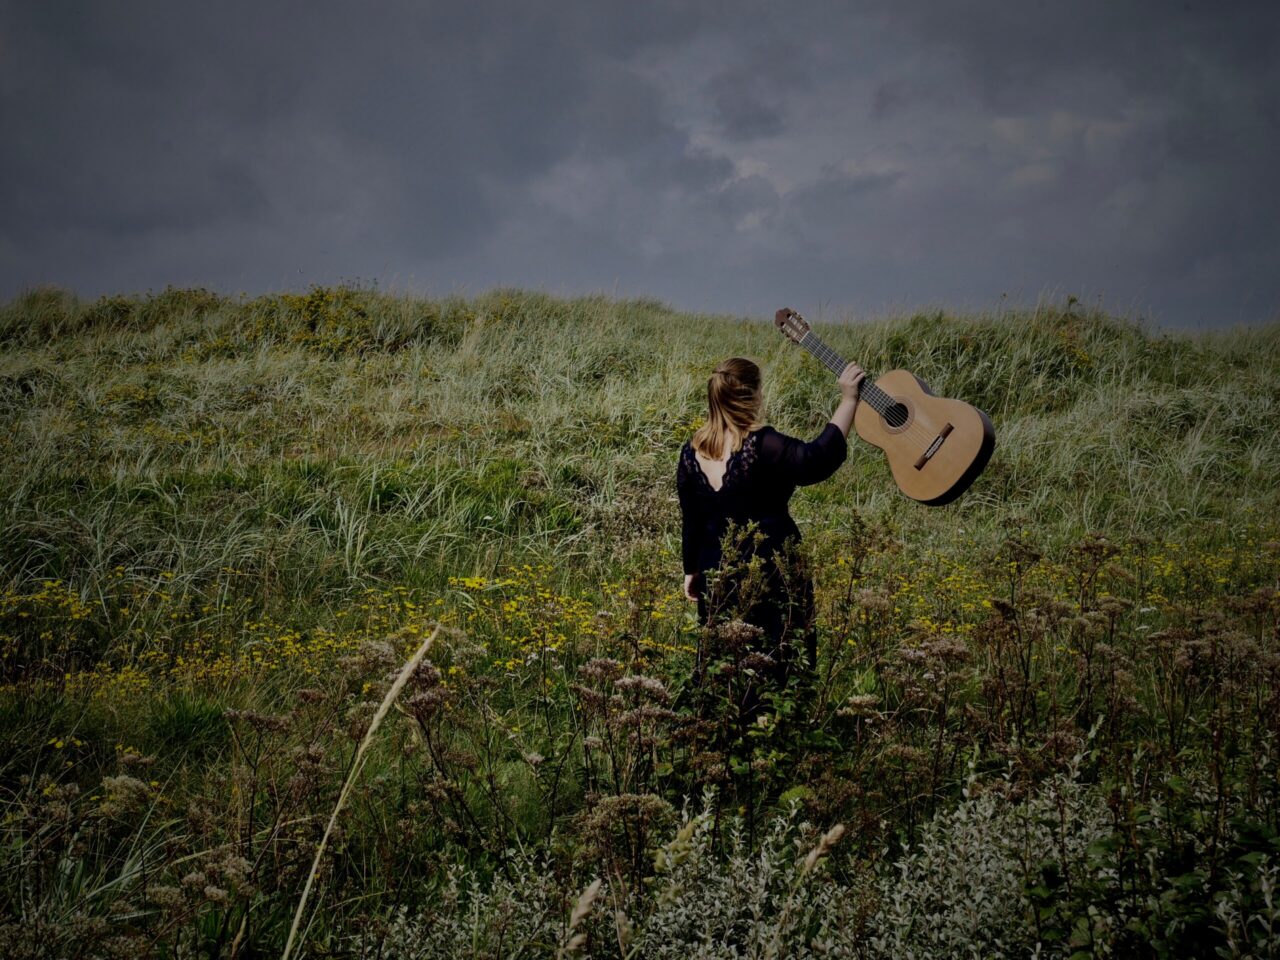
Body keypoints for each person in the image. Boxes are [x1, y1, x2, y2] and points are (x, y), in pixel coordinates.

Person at [676, 350, 865, 694]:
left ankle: (721, 730)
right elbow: (815, 460)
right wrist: (849, 399)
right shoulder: (763, 444)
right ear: (754, 395)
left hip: (717, 575)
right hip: (774, 572)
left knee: (723, 664)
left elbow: (692, 519)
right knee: (780, 658)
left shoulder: (691, 453)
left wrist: (692, 570)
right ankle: (776, 733)